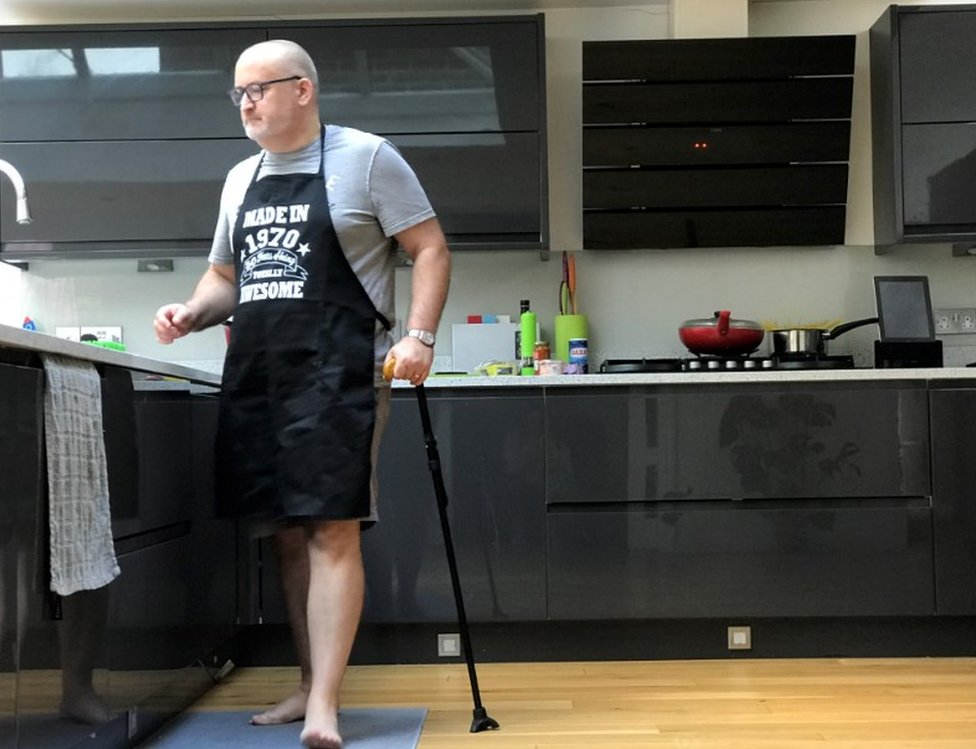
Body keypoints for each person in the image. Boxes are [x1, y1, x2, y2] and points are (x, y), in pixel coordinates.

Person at [153, 39, 450, 749]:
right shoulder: (240, 178)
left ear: (303, 90)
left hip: (341, 372)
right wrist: (192, 310)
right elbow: (226, 276)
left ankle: (325, 702)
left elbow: (431, 247)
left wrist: (420, 337)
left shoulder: (368, 158)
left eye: (258, 89)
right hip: (259, 373)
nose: (246, 103)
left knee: (331, 527)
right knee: (285, 536)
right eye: (239, 94)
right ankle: (304, 682)